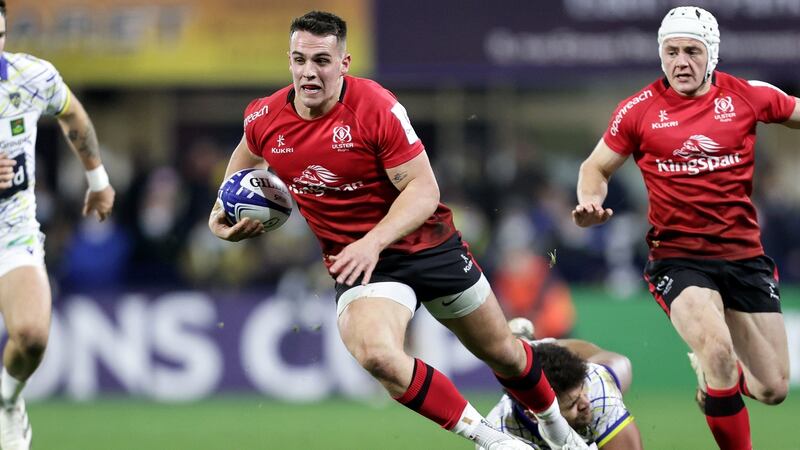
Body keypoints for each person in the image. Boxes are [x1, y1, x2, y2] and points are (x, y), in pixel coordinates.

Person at [208, 11, 589, 450]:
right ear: (289, 60)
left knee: (501, 352)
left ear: (344, 63)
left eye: (321, 60)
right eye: (299, 59)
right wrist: (221, 216)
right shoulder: (264, 117)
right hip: (360, 264)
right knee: (376, 356)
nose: (309, 71)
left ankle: (559, 432)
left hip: (426, 243)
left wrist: (373, 241)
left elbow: (424, 191)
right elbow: (240, 172)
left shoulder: (375, 107)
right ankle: (493, 440)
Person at [572, 6, 799, 450]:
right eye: (671, 51)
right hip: (679, 258)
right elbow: (595, 166)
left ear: (711, 54)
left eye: (692, 51)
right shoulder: (638, 110)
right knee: (716, 349)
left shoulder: (748, 96)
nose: (681, 62)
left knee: (773, 389)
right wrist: (589, 202)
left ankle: (717, 387)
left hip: (745, 258)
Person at [0, 2, 115, 449]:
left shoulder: (30, 77)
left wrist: (98, 179)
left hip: (12, 232)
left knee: (31, 336)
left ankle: (7, 402)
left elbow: (73, 115)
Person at [481, 318, 642, 450]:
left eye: (582, 391)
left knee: (619, 363)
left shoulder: (596, 392)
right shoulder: (501, 436)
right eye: (572, 403)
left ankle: (531, 346)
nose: (585, 403)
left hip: (599, 370)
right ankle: (526, 347)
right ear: (533, 414)